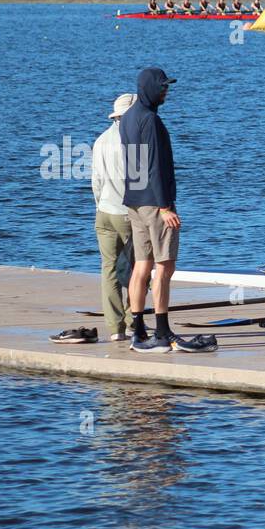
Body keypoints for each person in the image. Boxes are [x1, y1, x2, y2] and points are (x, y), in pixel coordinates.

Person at [119, 67, 200, 352]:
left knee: (142, 266)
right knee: (165, 267)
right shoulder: (150, 120)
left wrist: (141, 197)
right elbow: (153, 165)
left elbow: (135, 165)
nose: (167, 90)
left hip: (134, 201)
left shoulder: (127, 118)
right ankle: (163, 330)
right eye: (163, 86)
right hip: (155, 204)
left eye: (167, 86)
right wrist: (164, 206)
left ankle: (138, 329)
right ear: (149, 88)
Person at [90, 92, 137, 341]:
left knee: (109, 269)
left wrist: (99, 206)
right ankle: (132, 321)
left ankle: (114, 328)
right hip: (127, 214)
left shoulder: (100, 141)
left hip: (104, 212)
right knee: (133, 270)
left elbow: (96, 181)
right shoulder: (134, 142)